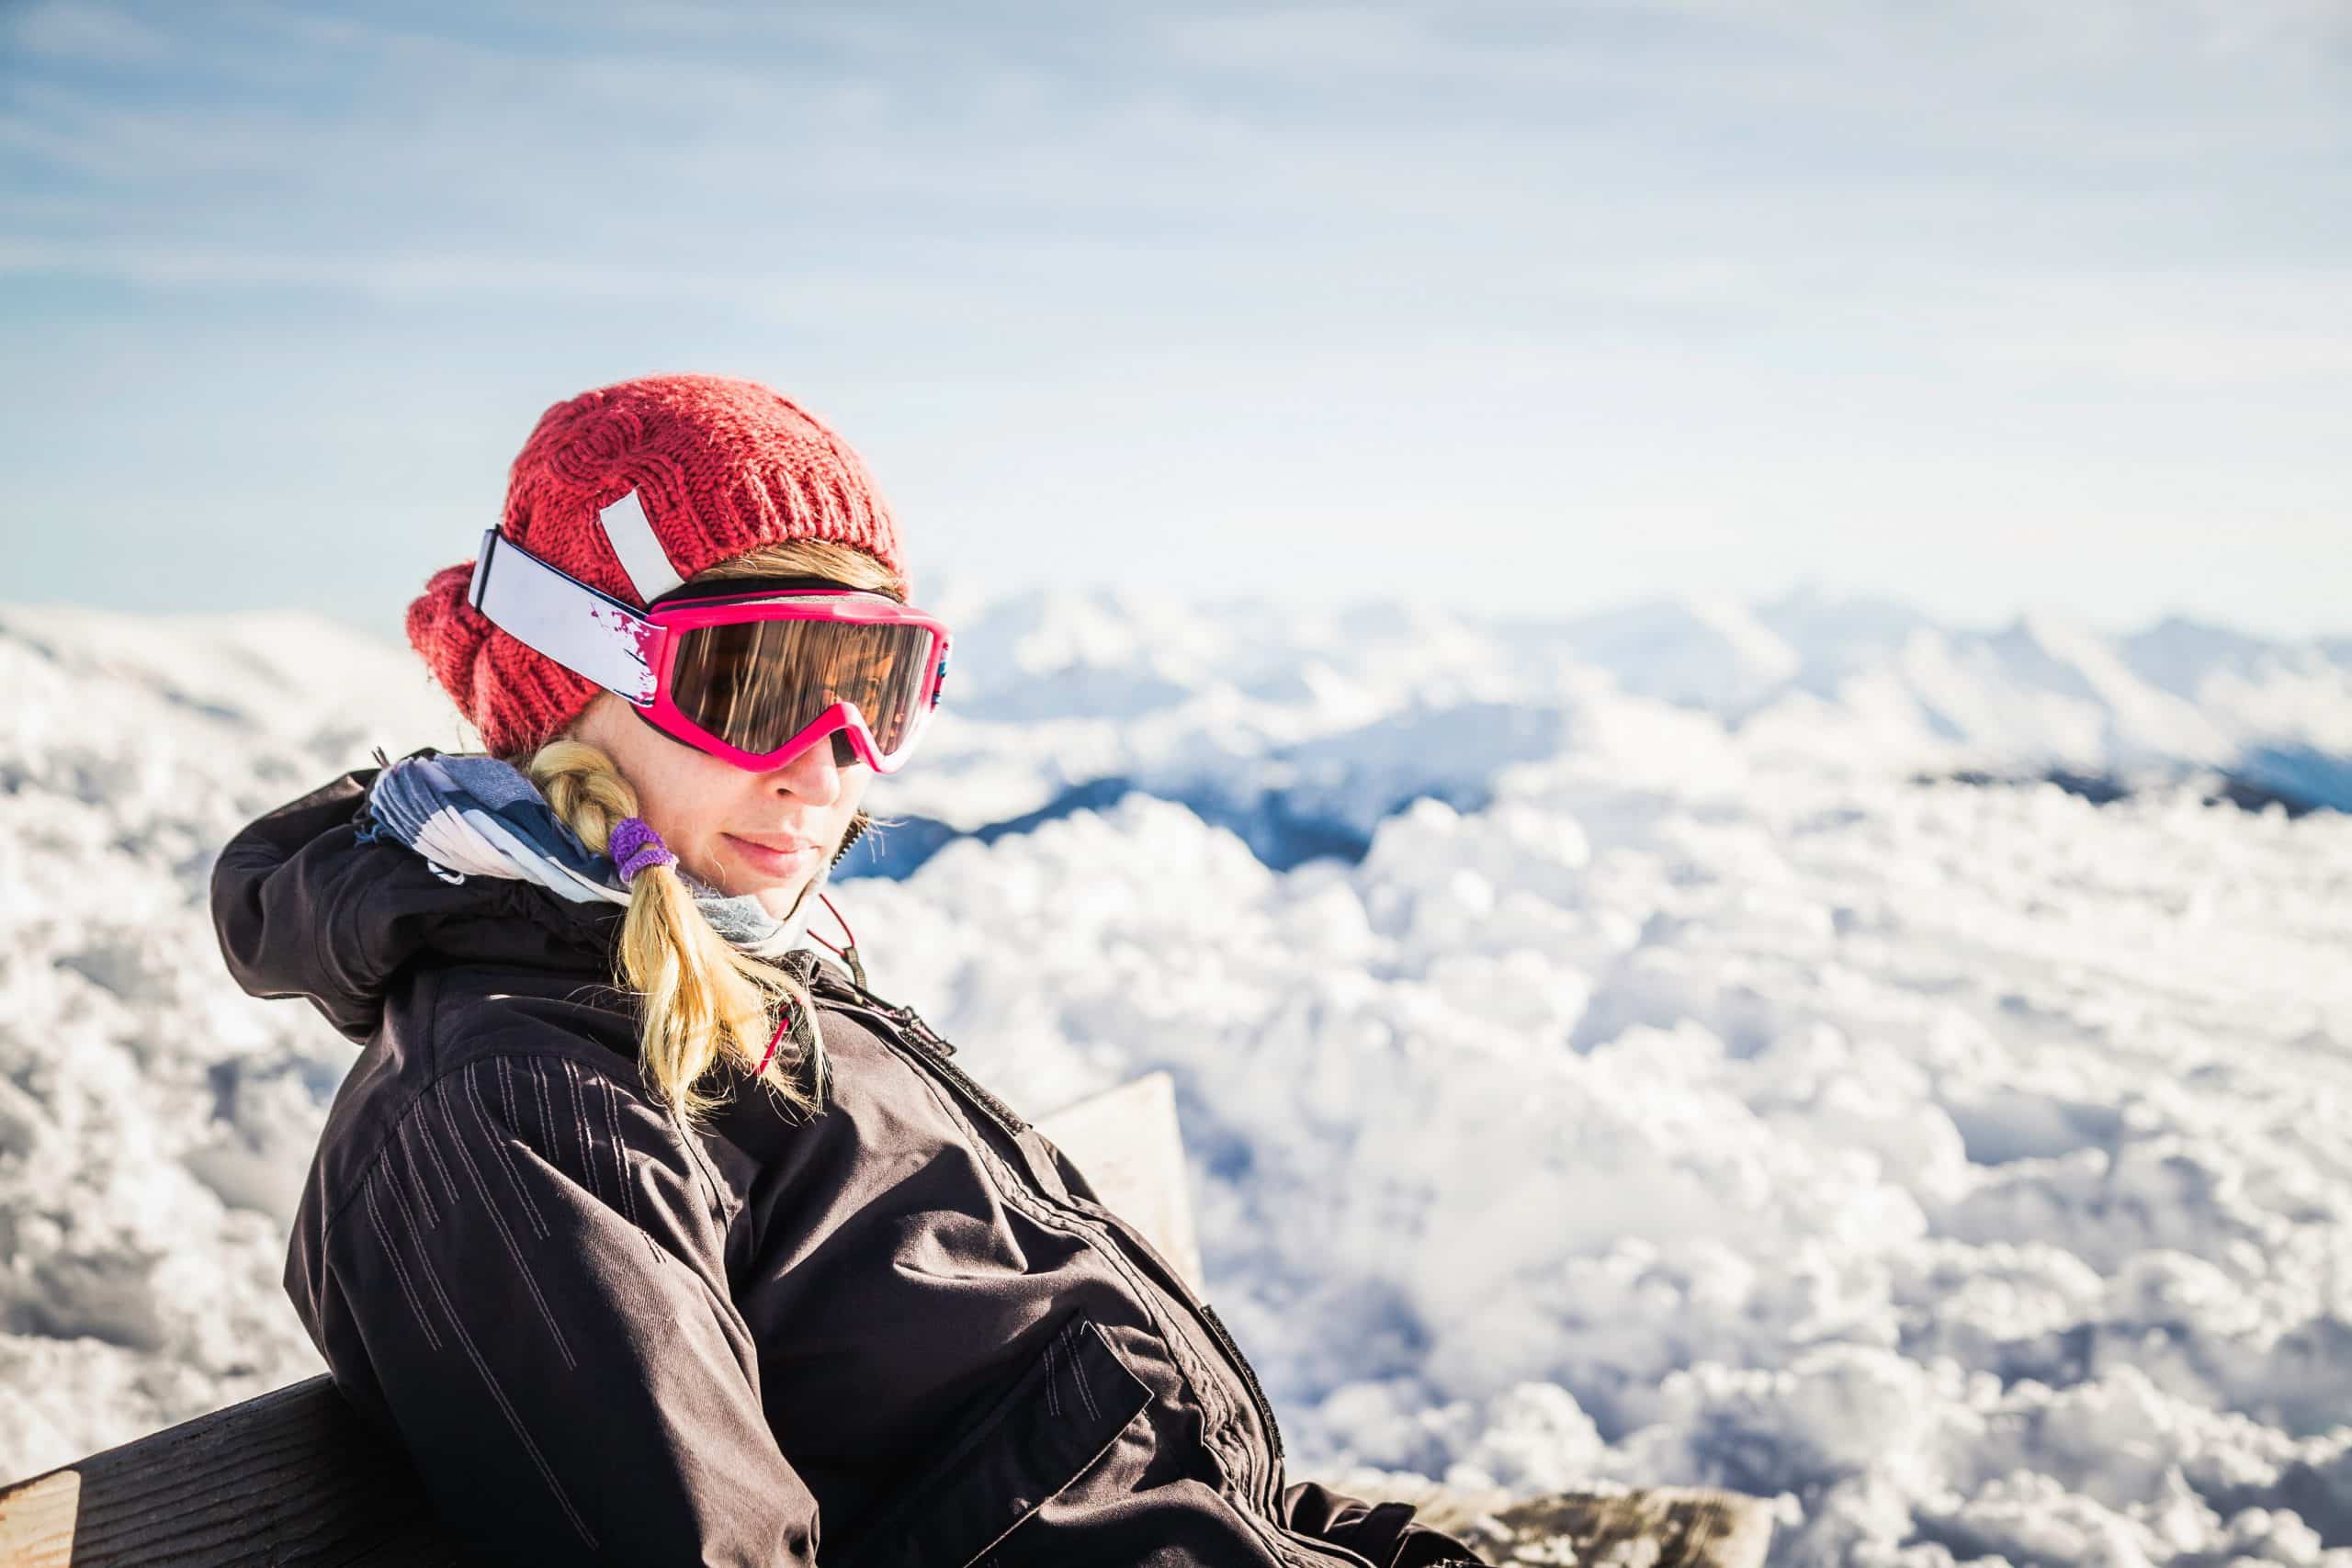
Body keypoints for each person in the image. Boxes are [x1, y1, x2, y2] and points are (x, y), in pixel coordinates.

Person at [209, 373, 1489, 1567]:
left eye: (872, 684)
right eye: (755, 683)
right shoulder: (518, 1109)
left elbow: (1133, 1480)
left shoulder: (745, 977)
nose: (827, 765)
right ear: (573, 679)